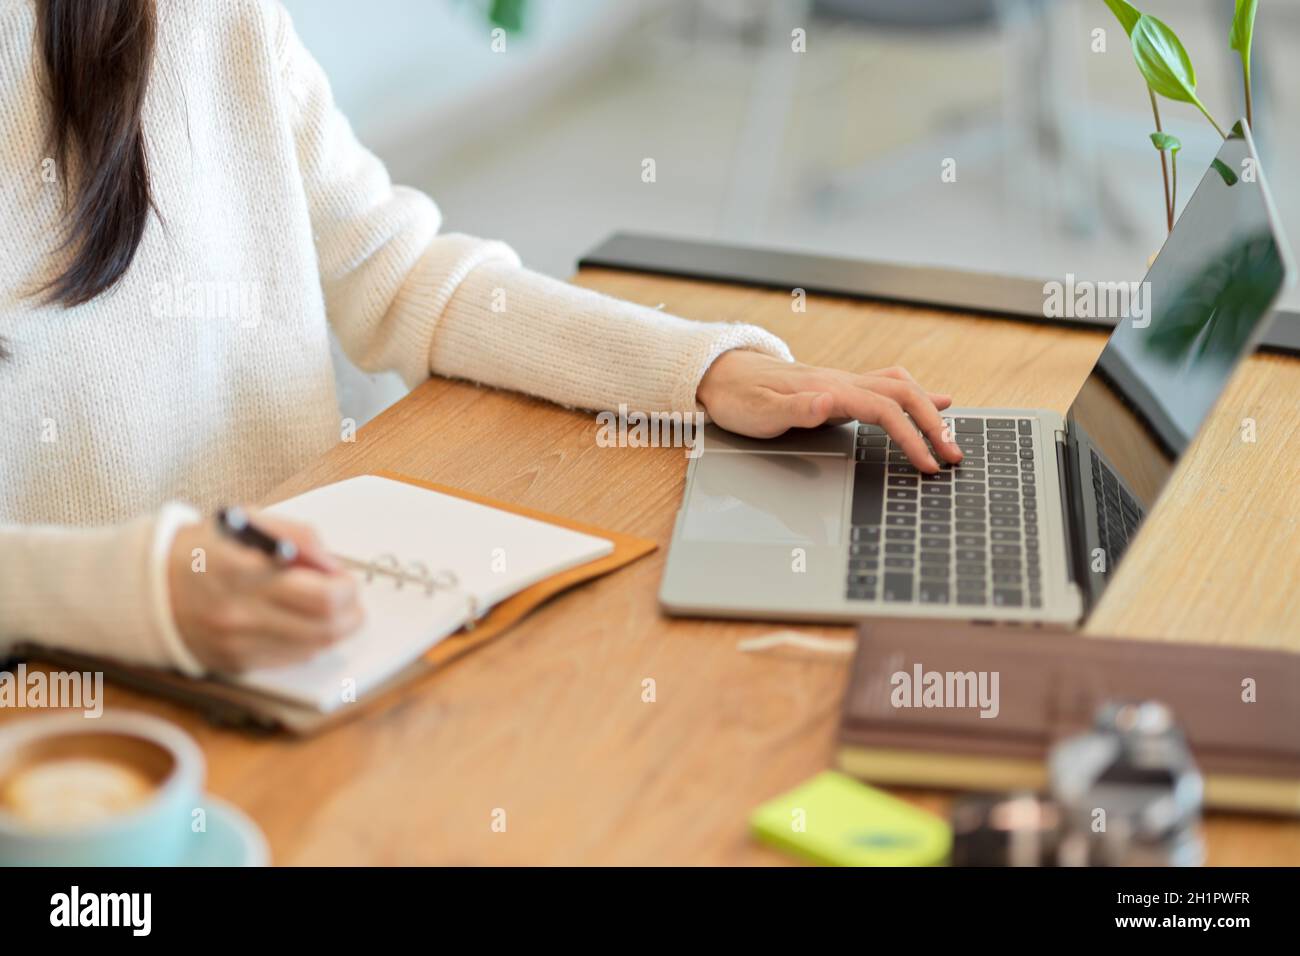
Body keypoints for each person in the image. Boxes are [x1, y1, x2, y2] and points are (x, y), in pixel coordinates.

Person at [0, 0, 962, 675]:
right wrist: (140, 593)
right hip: (81, 721)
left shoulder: (215, 18)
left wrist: (701, 368)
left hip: (312, 641)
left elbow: (397, 271)